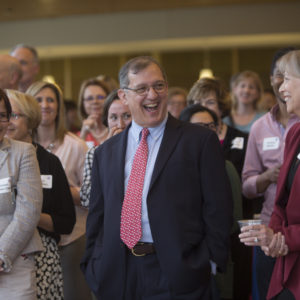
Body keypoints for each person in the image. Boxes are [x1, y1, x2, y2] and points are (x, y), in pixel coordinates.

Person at [81, 56, 232, 300]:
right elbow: (98, 217)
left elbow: (219, 208)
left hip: (179, 273)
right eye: (142, 88)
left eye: (159, 86)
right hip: (118, 273)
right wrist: (93, 264)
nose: (152, 95)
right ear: (123, 97)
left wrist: (209, 261)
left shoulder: (199, 141)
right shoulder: (105, 153)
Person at [239, 49, 300, 300]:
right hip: (286, 262)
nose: (280, 87)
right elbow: (281, 202)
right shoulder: (295, 134)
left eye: (287, 78)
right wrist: (273, 235)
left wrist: (282, 237)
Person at [5, 89, 76, 299]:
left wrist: (28, 216)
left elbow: (66, 222)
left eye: (14, 115)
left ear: (31, 120)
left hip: (41, 256)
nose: (7, 122)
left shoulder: (48, 162)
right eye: (3, 115)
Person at [26, 81, 90, 300]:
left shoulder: (76, 145)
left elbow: (92, 196)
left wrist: (62, 191)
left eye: (50, 100)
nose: (45, 105)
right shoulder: (23, 147)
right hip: (36, 238)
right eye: (38, 100)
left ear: (59, 106)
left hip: (73, 237)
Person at [180, 104, 243, 300]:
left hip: (215, 262)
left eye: (211, 126)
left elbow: (233, 221)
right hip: (180, 262)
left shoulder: (226, 168)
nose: (207, 132)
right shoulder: (172, 168)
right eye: (199, 126)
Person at [0, 88, 43, 299]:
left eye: (2, 116)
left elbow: (29, 211)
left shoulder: (23, 153)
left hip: (15, 262)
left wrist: (1, 255)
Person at [80, 89, 132, 208]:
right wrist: (107, 156)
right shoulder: (95, 153)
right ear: (106, 120)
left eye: (127, 116)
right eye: (113, 117)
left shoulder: (146, 150)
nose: (120, 124)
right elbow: (86, 199)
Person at [187, 77, 248, 177]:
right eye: (198, 102)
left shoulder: (242, 139)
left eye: (210, 102)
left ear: (222, 106)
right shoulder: (185, 139)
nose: (203, 107)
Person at [78, 78, 110, 148]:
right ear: (83, 104)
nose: (95, 101)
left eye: (100, 97)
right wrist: (83, 134)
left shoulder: (116, 130)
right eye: (89, 98)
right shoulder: (77, 137)